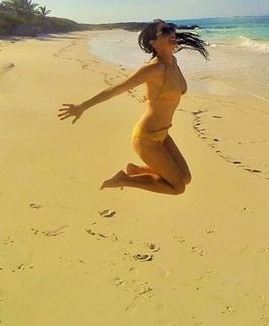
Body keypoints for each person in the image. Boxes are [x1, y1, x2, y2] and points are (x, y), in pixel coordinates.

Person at [58, 20, 209, 195]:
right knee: (178, 187)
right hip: (146, 137)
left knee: (185, 178)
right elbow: (117, 88)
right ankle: (123, 179)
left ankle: (135, 170)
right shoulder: (152, 69)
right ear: (154, 42)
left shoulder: (173, 62)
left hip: (164, 134)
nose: (172, 32)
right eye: (165, 31)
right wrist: (83, 106)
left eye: (171, 28)